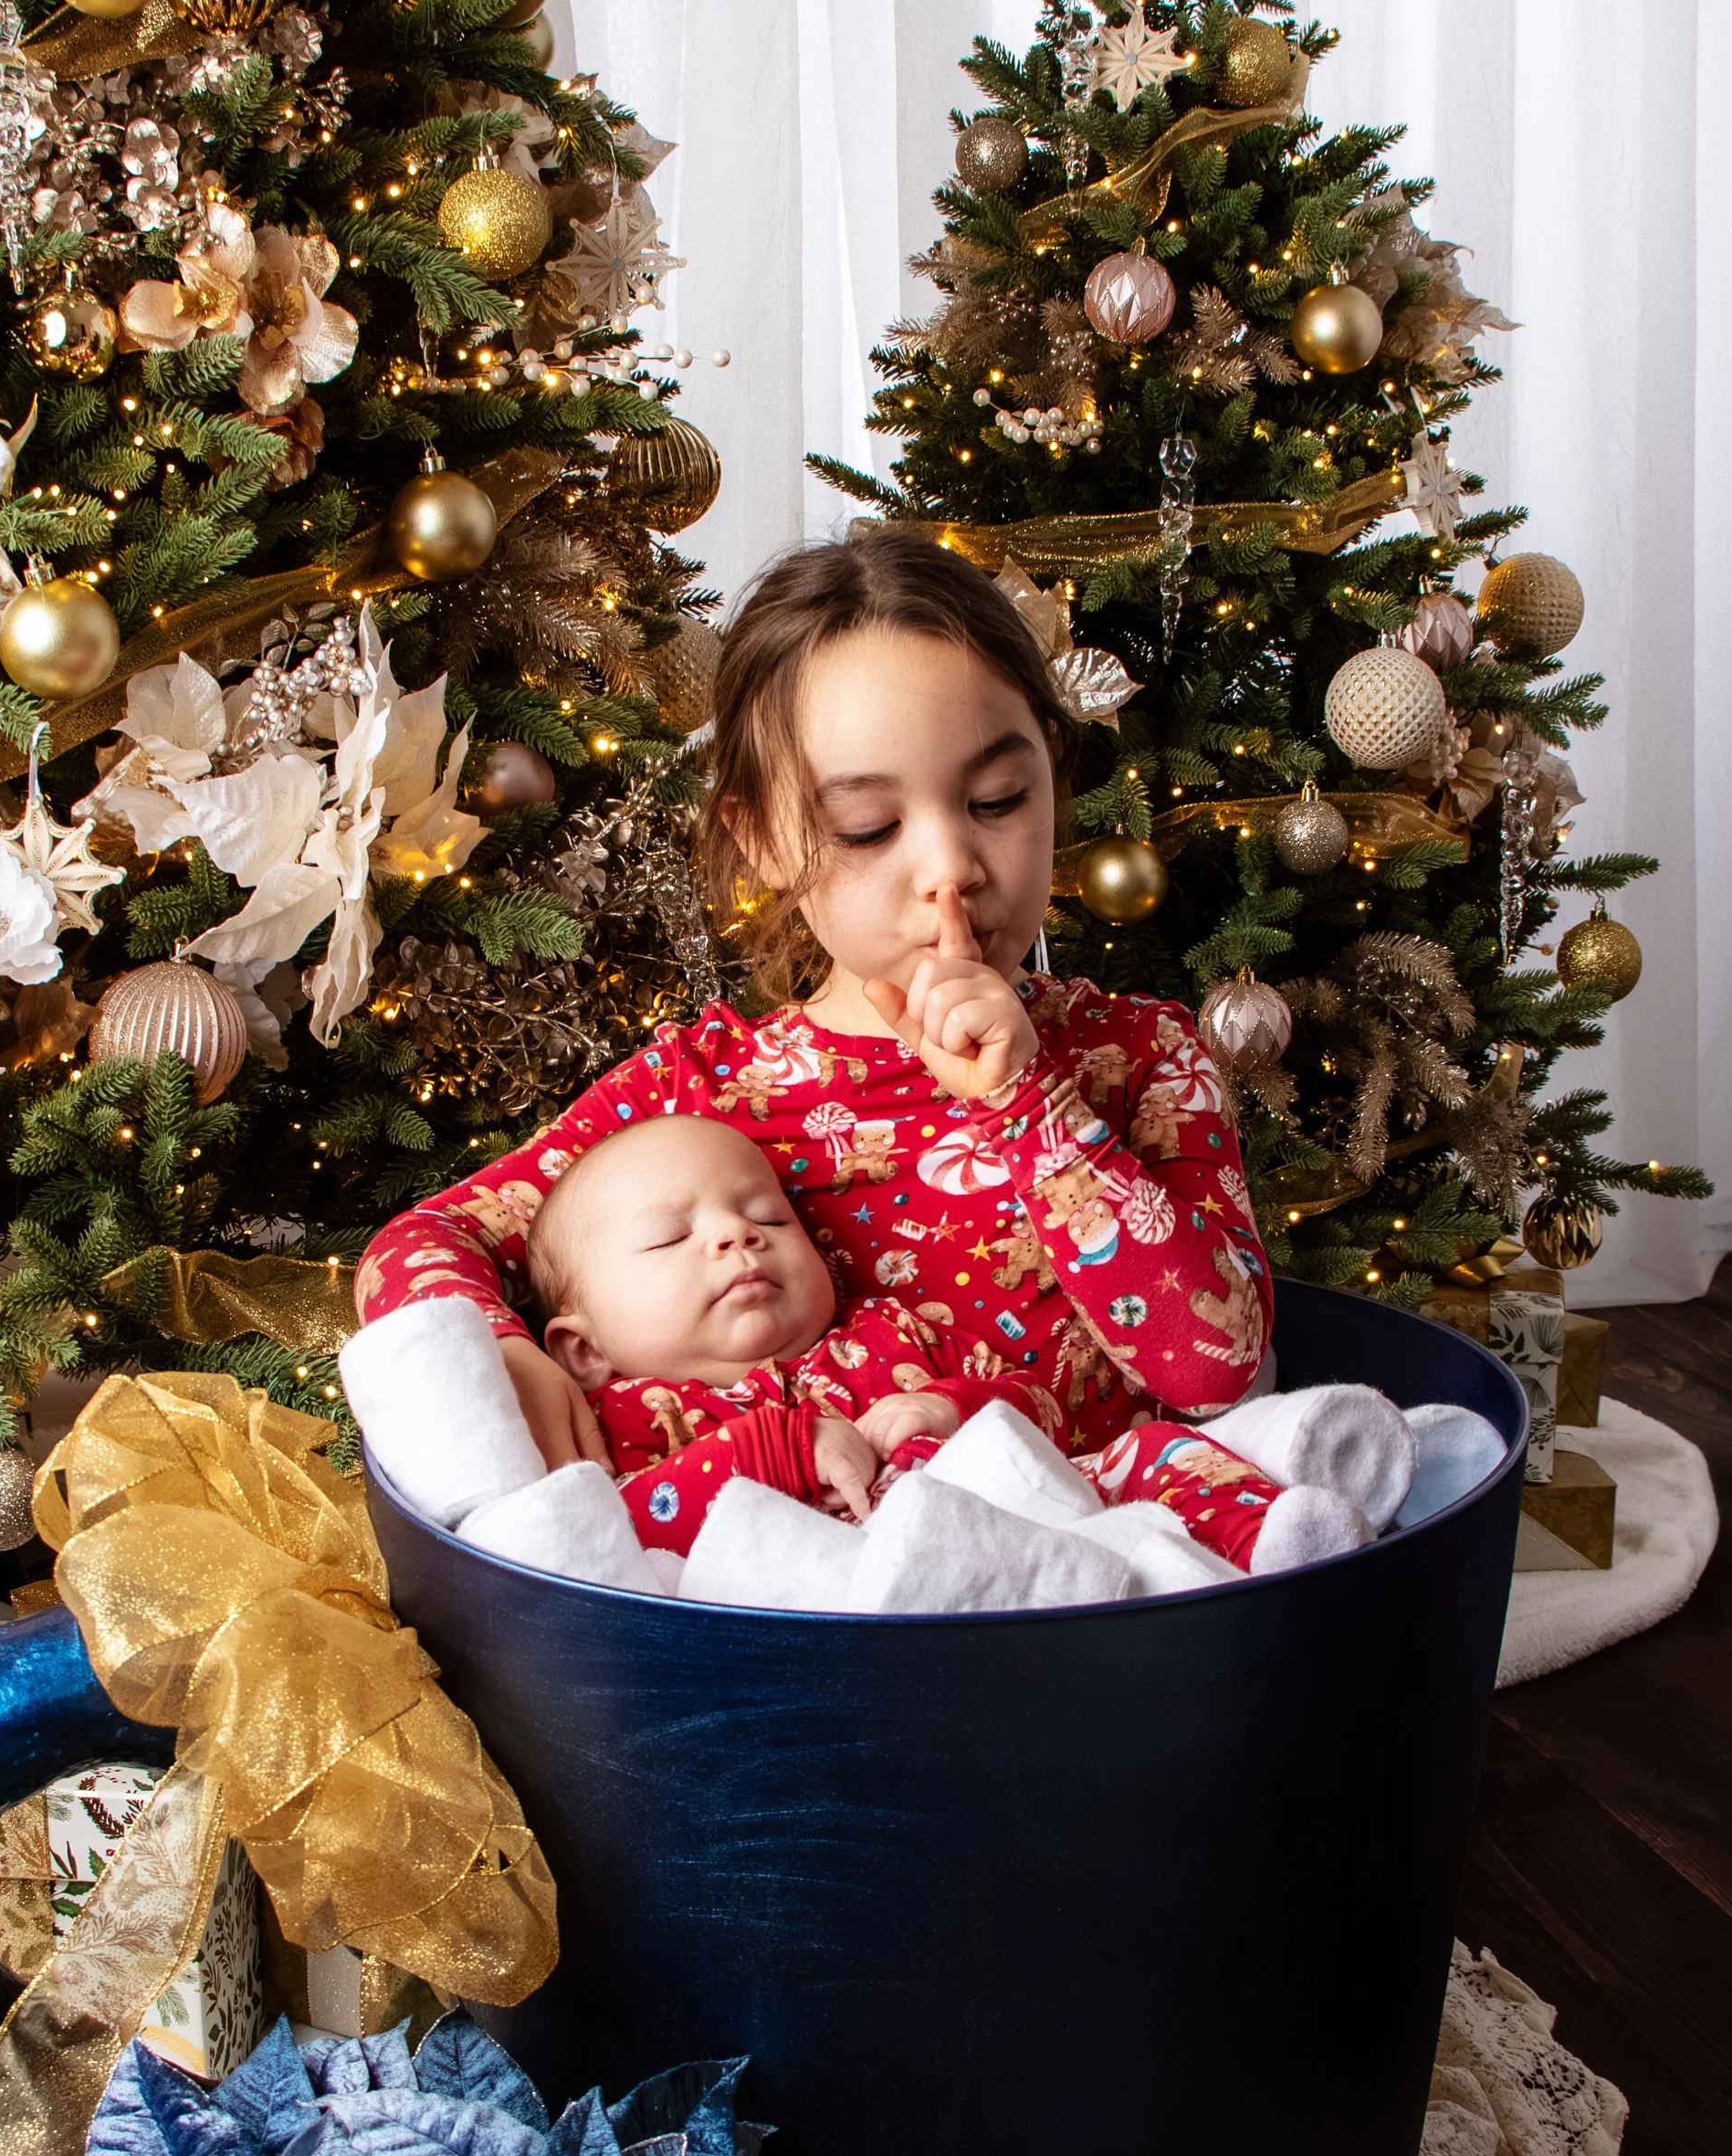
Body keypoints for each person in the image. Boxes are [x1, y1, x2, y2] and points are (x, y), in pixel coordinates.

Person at [356, 532, 1275, 1531]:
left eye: (998, 801)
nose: (950, 867)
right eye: (869, 828)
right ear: (765, 843)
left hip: (1096, 1587)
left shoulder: (1141, 1057)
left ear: (1052, 777)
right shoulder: (699, 1095)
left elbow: (1213, 1370)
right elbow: (419, 1241)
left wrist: (1032, 1105)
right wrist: (505, 1346)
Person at [523, 1111, 1049, 1548]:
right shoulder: (619, 1421)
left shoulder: (894, 1334)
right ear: (584, 1350)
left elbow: (1041, 1406)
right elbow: (603, 1539)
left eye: (770, 1217)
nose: (737, 1231)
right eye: (669, 1237)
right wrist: (772, 1452)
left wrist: (953, 1406)